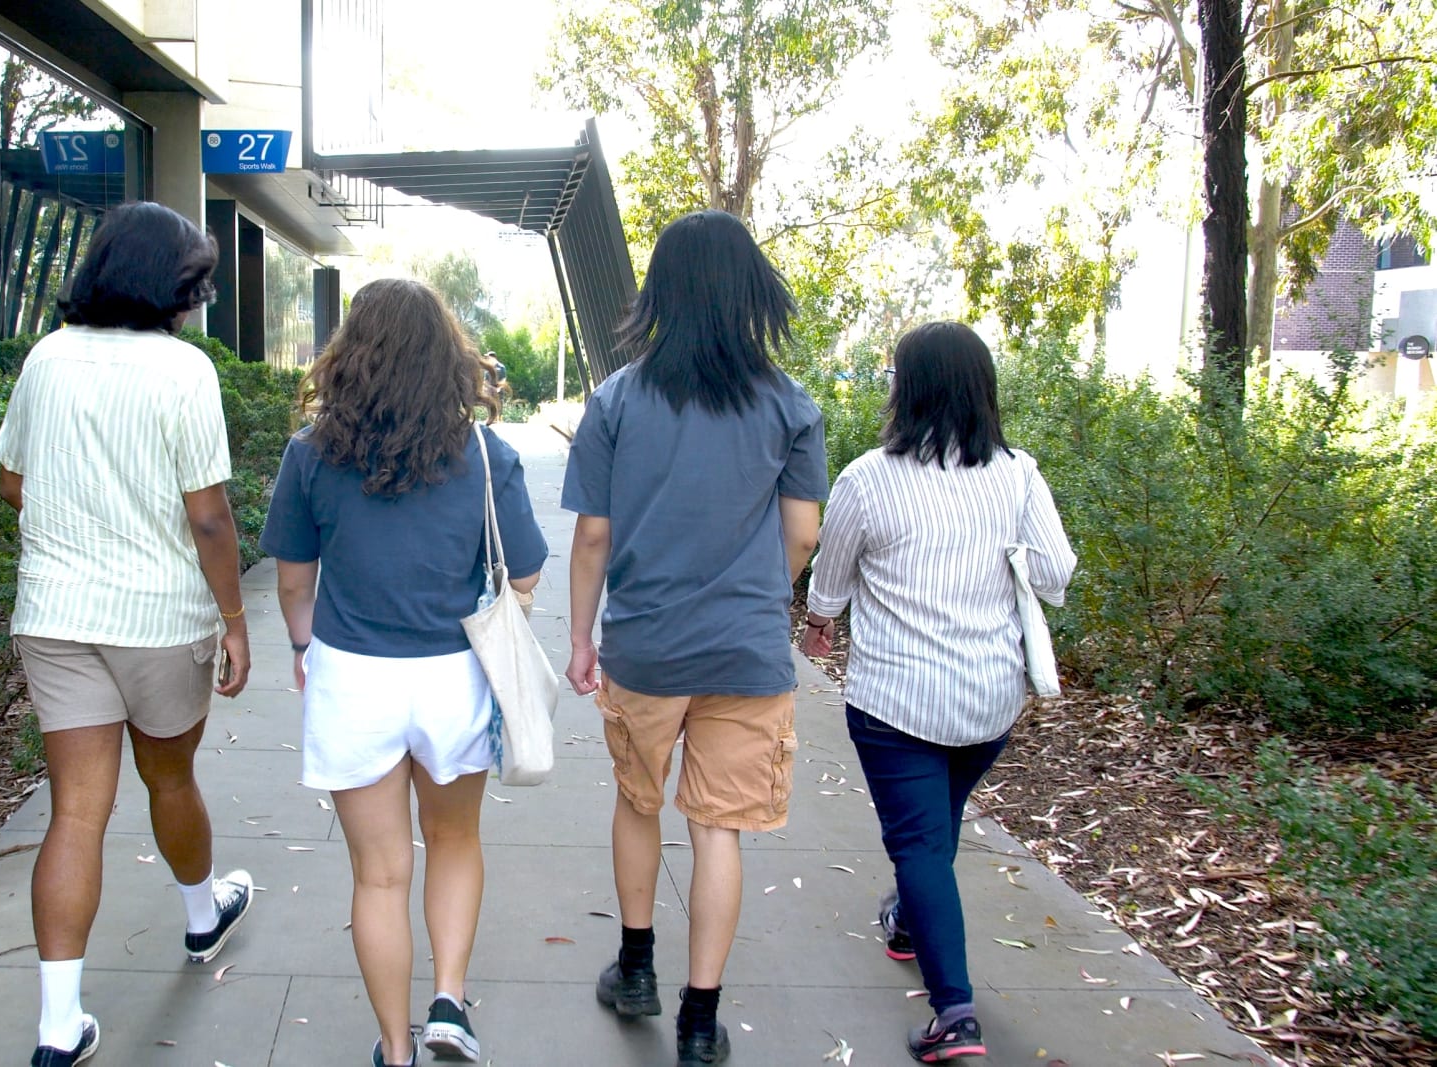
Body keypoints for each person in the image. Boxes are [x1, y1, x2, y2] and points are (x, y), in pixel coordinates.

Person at [562, 209, 829, 1067]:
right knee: (720, 830)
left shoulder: (617, 400)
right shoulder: (790, 406)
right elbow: (804, 535)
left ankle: (635, 968)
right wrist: (755, 597)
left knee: (640, 801)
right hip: (746, 653)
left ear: (659, 292)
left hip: (646, 646)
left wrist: (579, 637)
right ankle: (700, 1021)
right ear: (751, 290)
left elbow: (593, 536)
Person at [0, 201, 257, 1067]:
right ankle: (199, 917)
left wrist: (83, 528)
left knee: (75, 811)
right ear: (167, 285)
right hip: (157, 617)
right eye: (193, 283)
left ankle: (57, 1025)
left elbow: (11, 481)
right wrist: (234, 619)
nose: (197, 297)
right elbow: (209, 518)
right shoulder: (183, 372)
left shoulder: (45, 359)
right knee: (169, 775)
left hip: (58, 616)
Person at [260, 278, 548, 1067]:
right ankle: (449, 1002)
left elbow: (294, 580)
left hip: (353, 678)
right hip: (454, 673)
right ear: (444, 356)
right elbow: (523, 569)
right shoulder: (485, 454)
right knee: (453, 842)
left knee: (380, 875)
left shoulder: (311, 452)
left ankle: (395, 1048)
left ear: (348, 356)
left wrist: (299, 646)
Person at [801, 321, 1076, 1063]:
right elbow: (1055, 574)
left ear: (908, 390)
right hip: (990, 701)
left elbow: (828, 576)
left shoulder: (868, 477)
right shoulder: (1019, 474)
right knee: (935, 825)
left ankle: (954, 1011)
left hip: (896, 702)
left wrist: (821, 623)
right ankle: (905, 918)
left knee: (922, 838)